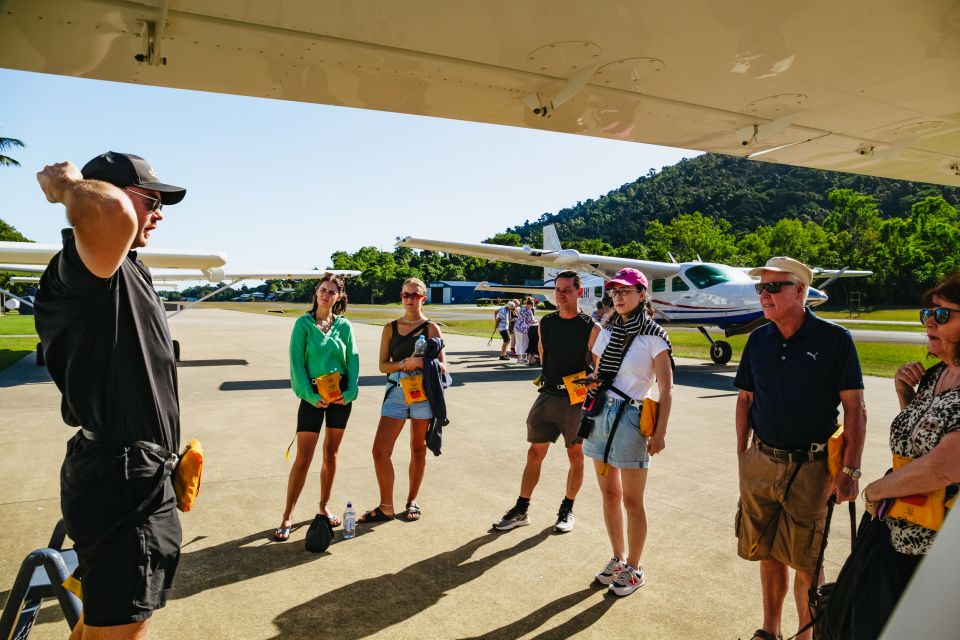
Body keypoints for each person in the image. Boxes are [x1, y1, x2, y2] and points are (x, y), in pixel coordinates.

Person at [33, 152, 187, 639]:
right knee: (120, 631)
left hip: (134, 471)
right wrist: (68, 187)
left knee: (102, 624)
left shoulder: (125, 269)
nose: (160, 212)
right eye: (152, 200)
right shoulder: (81, 272)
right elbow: (110, 215)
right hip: (120, 477)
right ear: (115, 193)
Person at [733, 256, 866, 640]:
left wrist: (850, 471)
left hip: (813, 467)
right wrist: (742, 456)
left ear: (801, 291)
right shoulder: (759, 339)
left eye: (774, 287)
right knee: (768, 552)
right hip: (762, 460)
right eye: (761, 287)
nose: (765, 294)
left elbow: (856, 408)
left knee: (807, 559)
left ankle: (806, 634)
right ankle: (769, 631)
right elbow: (745, 399)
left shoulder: (834, 339)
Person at [854, 274, 960, 638]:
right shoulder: (936, 376)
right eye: (926, 312)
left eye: (942, 315)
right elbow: (916, 445)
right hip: (902, 535)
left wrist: (875, 491)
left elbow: (943, 467)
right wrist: (905, 394)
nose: (929, 321)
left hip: (943, 557)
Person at [580, 268, 673, 597]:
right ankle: (618, 558)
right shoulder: (607, 330)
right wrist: (592, 381)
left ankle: (635, 566)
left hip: (632, 417)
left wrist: (659, 432)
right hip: (600, 414)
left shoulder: (654, 335)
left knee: (633, 500)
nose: (618, 296)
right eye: (614, 291)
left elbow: (665, 389)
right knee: (609, 495)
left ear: (642, 294)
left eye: (626, 291)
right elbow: (598, 369)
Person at [493, 271, 600, 534]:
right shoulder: (546, 323)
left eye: (567, 289)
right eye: (558, 289)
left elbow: (598, 368)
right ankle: (522, 509)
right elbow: (542, 355)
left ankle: (567, 509)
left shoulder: (591, 328)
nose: (561, 294)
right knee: (534, 453)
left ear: (579, 292)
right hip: (548, 395)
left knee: (575, 455)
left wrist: (590, 383)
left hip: (575, 402)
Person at [273, 275, 359, 541]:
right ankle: (288, 515)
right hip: (313, 395)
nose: (326, 295)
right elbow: (296, 365)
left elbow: (353, 360)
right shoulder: (303, 325)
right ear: (316, 293)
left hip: (339, 397)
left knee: (331, 453)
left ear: (339, 297)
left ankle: (323, 506)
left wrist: (350, 392)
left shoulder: (344, 326)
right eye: (323, 290)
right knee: (304, 457)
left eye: (332, 292)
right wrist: (309, 396)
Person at [359, 277, 446, 523]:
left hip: (422, 395)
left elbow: (443, 366)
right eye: (405, 294)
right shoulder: (390, 328)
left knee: (418, 448)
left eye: (414, 295)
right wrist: (403, 364)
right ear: (401, 297)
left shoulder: (431, 329)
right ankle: (386, 506)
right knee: (380, 450)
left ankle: (412, 501)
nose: (409, 299)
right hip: (396, 391)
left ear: (423, 298)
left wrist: (421, 362)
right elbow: (381, 365)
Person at [514, 297, 536, 363]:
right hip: (524, 329)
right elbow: (531, 321)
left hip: (517, 327)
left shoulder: (521, 308)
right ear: (530, 304)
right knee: (524, 343)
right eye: (533, 305)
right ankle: (524, 358)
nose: (533, 307)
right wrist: (536, 321)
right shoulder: (529, 311)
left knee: (518, 343)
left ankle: (519, 358)